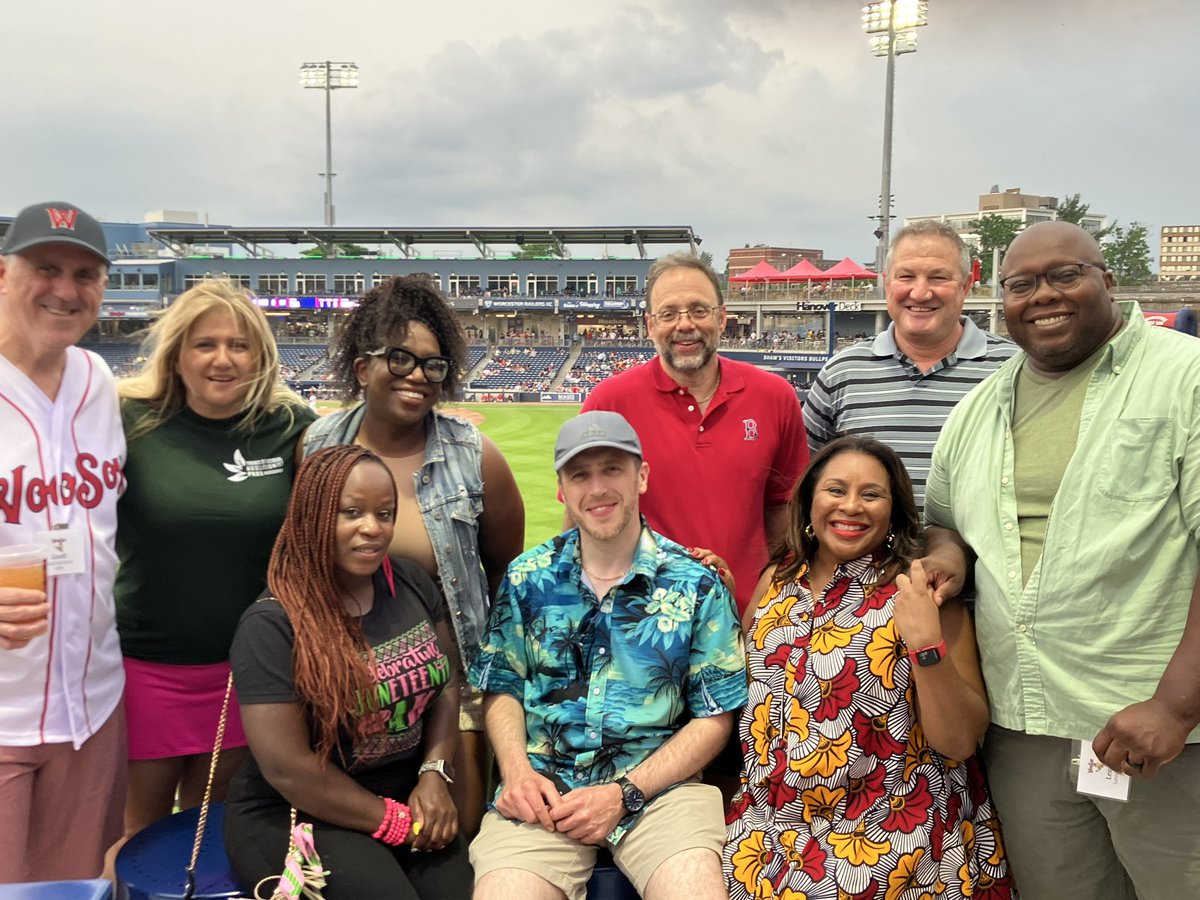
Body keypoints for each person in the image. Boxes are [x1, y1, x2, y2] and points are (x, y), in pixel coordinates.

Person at [923, 220, 1200, 899]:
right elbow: (947, 527)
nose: (1042, 295)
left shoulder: (1182, 378)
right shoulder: (977, 410)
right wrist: (949, 558)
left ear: (1107, 281)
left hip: (1151, 728)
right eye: (1022, 284)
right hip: (1025, 730)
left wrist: (1176, 705)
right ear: (1001, 302)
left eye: (1064, 276)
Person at [469, 411, 747, 900]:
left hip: (663, 790)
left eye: (612, 469)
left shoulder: (696, 583)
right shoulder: (527, 578)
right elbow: (503, 687)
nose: (597, 488)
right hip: (545, 788)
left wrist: (626, 793)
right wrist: (516, 772)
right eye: (580, 474)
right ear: (562, 489)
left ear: (641, 475)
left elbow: (714, 718)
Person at [724, 436, 1013, 899]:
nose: (851, 506)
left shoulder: (922, 591)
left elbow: (960, 740)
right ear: (809, 500)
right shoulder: (776, 581)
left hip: (893, 844)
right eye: (836, 490)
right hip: (767, 838)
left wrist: (924, 643)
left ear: (895, 512)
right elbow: (745, 688)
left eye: (872, 494)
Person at [303, 274, 524, 837]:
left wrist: (497, 678)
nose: (418, 377)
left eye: (433, 365)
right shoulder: (317, 448)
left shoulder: (475, 456)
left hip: (456, 683)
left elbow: (505, 574)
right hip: (346, 686)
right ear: (361, 368)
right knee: (365, 838)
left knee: (457, 838)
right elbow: (301, 565)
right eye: (400, 359)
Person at [113, 279, 315, 845]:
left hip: (250, 674)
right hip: (143, 666)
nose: (222, 359)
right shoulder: (127, 419)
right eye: (204, 344)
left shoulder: (291, 425)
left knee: (218, 834)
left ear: (261, 355)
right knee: (138, 836)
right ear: (177, 353)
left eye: (239, 344)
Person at [223, 444, 471, 897]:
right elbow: (289, 769)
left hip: (407, 791)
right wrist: (395, 822)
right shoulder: (272, 625)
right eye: (351, 512)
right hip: (301, 810)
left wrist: (435, 772)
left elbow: (445, 683)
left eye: (385, 513)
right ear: (312, 515)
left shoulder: (410, 583)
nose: (372, 529)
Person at [0, 201, 127, 881]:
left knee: (75, 892)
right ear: (2, 274)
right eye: (45, 268)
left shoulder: (99, 383)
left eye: (86, 274)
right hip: (2, 717)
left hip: (94, 710)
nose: (66, 289)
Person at [581, 252, 808, 615]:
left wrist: (778, 606)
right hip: (639, 623)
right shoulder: (609, 402)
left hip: (747, 619)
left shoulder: (775, 396)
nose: (684, 324)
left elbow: (784, 512)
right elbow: (581, 519)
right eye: (669, 314)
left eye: (699, 310)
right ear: (650, 325)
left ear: (721, 318)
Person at [803, 221, 1016, 510]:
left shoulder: (1011, 369)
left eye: (938, 278)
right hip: (867, 555)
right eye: (906, 276)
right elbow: (806, 479)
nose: (920, 293)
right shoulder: (842, 372)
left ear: (965, 286)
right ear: (887, 282)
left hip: (975, 555)